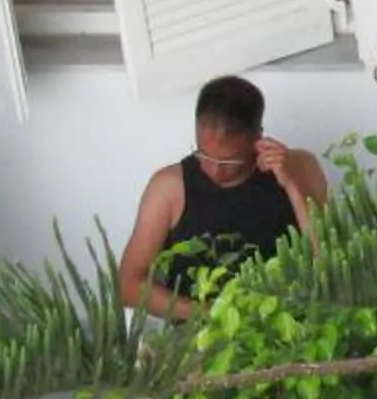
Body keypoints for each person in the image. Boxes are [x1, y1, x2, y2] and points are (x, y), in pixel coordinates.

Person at [117, 75, 330, 322]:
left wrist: (291, 186)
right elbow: (128, 286)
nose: (215, 170)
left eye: (229, 160)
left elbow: (329, 263)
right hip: (198, 328)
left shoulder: (300, 166)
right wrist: (214, 316)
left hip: (286, 323)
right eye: (204, 155)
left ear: (258, 140)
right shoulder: (170, 188)